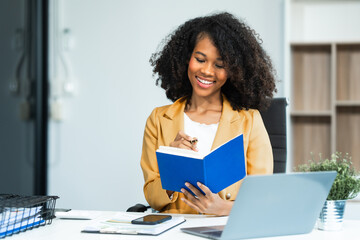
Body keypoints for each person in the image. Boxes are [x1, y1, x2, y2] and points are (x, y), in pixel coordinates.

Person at [140, 12, 276, 216]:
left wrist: (223, 208)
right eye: (200, 59)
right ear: (187, 59)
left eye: (219, 65)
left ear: (234, 71)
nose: (207, 71)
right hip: (176, 231)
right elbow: (152, 198)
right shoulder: (158, 120)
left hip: (225, 231)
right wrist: (173, 163)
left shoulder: (250, 121)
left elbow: (263, 198)